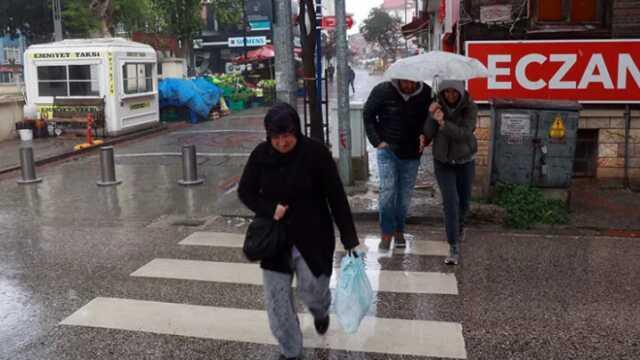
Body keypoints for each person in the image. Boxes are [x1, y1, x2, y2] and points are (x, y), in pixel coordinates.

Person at [238, 103, 360, 360]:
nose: (282, 142)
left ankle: (320, 311)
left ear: (297, 130)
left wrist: (349, 236)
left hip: (313, 235)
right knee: (278, 304)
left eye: (288, 135)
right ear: (268, 135)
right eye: (276, 137)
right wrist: (270, 208)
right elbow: (245, 192)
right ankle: (291, 351)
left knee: (313, 290)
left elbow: (336, 195)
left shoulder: (316, 153)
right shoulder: (261, 155)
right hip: (276, 239)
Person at [363, 78, 431, 250]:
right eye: (405, 82)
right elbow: (368, 114)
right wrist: (377, 141)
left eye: (412, 83)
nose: (409, 86)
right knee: (388, 191)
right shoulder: (382, 90)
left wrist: (426, 136)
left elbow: (430, 121)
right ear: (398, 79)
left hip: (413, 153)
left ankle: (399, 230)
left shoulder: (427, 93)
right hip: (388, 150)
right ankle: (386, 232)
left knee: (404, 197)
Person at [423, 80, 478, 265]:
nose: (451, 96)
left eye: (454, 92)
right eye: (447, 92)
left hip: (465, 161)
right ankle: (453, 245)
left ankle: (460, 226)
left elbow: (464, 133)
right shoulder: (437, 104)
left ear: (461, 92)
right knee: (450, 202)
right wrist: (431, 115)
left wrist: (443, 122)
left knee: (464, 201)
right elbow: (429, 133)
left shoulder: (470, 107)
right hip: (443, 161)